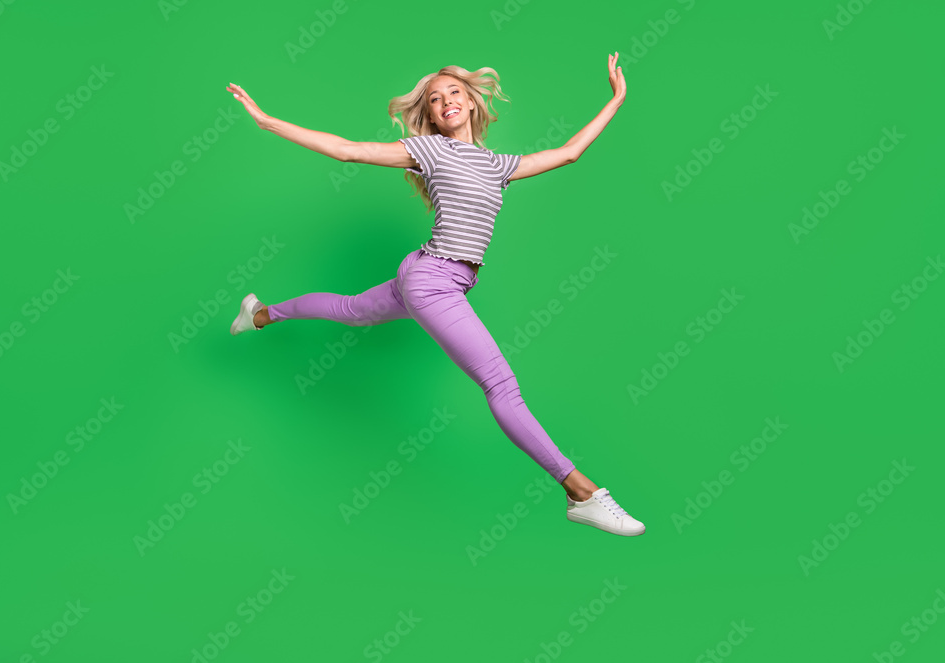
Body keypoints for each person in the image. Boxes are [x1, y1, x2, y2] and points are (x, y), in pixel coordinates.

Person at [225, 54, 644, 536]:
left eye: (453, 92)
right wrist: (265, 120)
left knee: (351, 310)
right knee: (501, 387)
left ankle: (259, 314)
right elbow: (348, 150)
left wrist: (616, 100)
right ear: (429, 114)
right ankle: (582, 493)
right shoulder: (429, 150)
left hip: (427, 276)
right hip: (433, 281)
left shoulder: (499, 164)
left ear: (471, 100)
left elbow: (570, 152)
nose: (445, 100)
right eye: (434, 99)